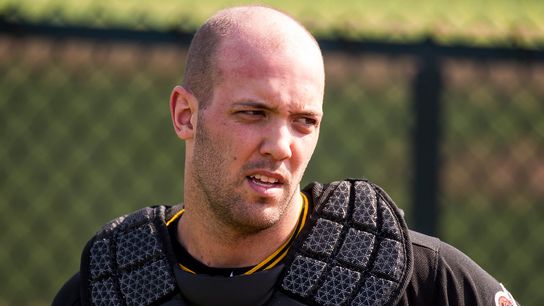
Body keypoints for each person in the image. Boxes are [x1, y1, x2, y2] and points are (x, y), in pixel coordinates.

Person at [53, 5, 518, 306]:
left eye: (304, 121)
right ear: (185, 116)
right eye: (253, 113)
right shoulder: (108, 287)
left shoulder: (417, 280)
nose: (281, 145)